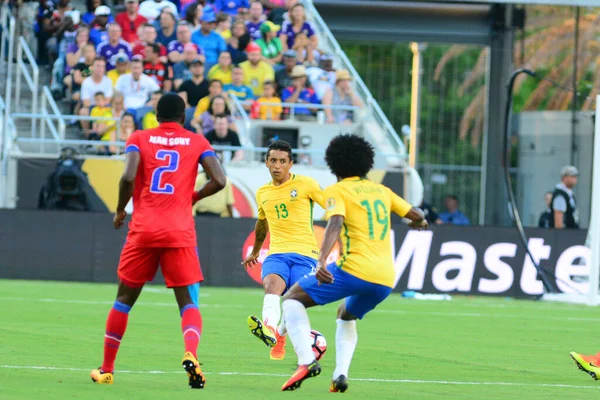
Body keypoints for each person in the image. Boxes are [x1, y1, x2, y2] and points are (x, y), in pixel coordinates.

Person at [89, 93, 226, 387]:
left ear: (155, 113)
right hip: (180, 231)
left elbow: (127, 177)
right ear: (183, 117)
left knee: (124, 300)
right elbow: (220, 180)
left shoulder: (140, 137)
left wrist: (120, 210)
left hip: (144, 229)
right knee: (187, 302)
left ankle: (106, 369)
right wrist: (194, 197)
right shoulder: (197, 141)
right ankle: (191, 353)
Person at [278, 134, 427, 392]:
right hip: (385, 278)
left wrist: (322, 259)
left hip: (352, 269)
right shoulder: (383, 190)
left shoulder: (337, 190)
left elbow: (335, 222)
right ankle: (340, 376)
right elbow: (418, 215)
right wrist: (417, 223)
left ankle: (306, 360)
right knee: (345, 315)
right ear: (366, 163)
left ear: (334, 164)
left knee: (291, 299)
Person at [242, 140, 325, 361]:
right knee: (272, 286)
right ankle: (268, 329)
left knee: (293, 302)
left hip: (305, 254)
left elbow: (332, 205)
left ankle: (279, 335)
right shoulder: (263, 193)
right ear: (266, 163)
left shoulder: (307, 184)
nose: (277, 166)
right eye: (273, 161)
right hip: (277, 253)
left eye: (282, 161)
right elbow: (262, 225)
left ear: (291, 164)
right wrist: (255, 251)